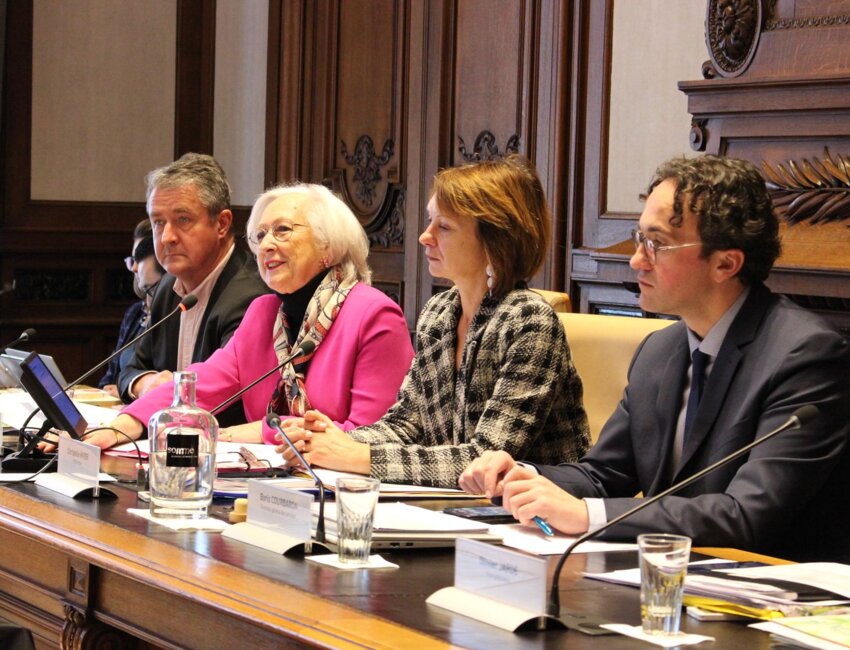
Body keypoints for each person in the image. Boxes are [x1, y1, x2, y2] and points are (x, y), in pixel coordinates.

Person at [459, 155, 850, 562]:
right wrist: (527, 477)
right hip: (671, 582)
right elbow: (604, 475)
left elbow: (746, 515)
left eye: (656, 244)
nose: (636, 260)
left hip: (781, 597)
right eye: (638, 237)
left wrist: (586, 514)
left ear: (725, 264)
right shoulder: (659, 351)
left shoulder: (805, 356)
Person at [278, 156, 590, 488]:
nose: (425, 237)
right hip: (462, 510)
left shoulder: (530, 322)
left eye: (444, 226)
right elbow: (404, 425)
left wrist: (355, 456)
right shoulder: (439, 313)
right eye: (430, 222)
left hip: (538, 522)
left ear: (495, 238)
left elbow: (485, 460)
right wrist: (328, 439)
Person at [84, 183, 413, 448]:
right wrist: (126, 425)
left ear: (329, 246)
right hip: (271, 490)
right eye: (260, 235)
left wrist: (252, 432)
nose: (266, 245)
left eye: (282, 230)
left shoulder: (374, 316)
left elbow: (371, 438)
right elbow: (201, 384)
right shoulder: (264, 313)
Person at [116, 153, 268, 416]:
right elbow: (129, 366)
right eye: (158, 222)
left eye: (183, 220)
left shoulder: (251, 296)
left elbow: (224, 399)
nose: (167, 237)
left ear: (221, 224)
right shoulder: (168, 287)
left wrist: (164, 393)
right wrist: (146, 384)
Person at [99, 221, 165, 398]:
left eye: (139, 258)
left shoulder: (173, 316)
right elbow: (108, 380)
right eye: (133, 259)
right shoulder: (135, 313)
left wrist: (127, 392)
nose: (134, 267)